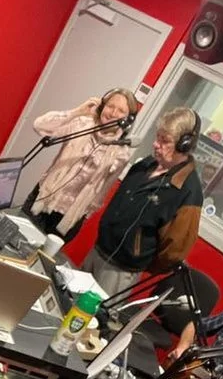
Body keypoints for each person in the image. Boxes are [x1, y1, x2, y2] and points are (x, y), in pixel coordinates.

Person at [85, 107, 203, 297]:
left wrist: (138, 259)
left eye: (165, 141)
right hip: (97, 250)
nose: (156, 144)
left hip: (122, 271)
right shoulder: (145, 164)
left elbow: (174, 251)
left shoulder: (188, 191)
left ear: (184, 145)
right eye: (158, 137)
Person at [23, 89, 138, 242]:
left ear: (128, 119)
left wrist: (84, 213)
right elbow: (40, 126)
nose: (113, 113)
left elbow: (102, 192)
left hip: (68, 219)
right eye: (110, 106)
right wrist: (77, 111)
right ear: (102, 106)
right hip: (42, 199)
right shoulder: (82, 124)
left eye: (121, 111)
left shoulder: (121, 152)